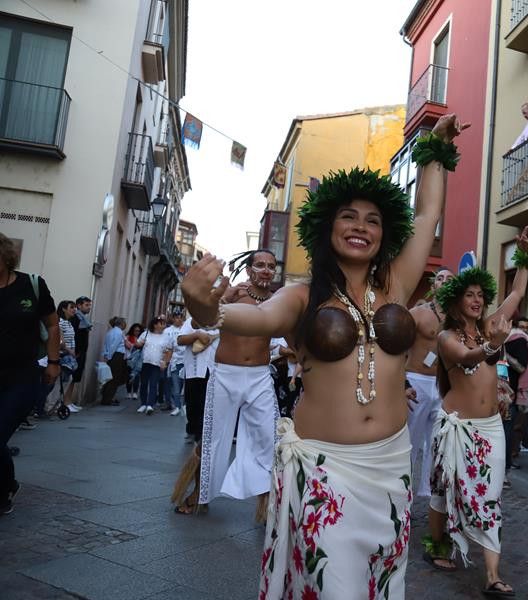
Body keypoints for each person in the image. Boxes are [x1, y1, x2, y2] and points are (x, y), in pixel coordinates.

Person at [180, 113, 467, 600]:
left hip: (390, 464)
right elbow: (249, 319)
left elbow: (427, 216)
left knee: (380, 581)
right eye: (349, 217)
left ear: (384, 234)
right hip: (326, 469)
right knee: (332, 587)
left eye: (373, 220)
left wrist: (435, 152)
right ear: (327, 228)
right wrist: (204, 305)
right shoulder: (301, 297)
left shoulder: (396, 283)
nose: (361, 227)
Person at [425, 229, 528, 598]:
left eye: (481, 295)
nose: (477, 299)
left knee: (490, 494)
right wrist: (492, 345)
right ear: (456, 301)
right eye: (469, 294)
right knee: (444, 489)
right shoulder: (446, 337)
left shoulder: (490, 326)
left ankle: (491, 574)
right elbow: (467, 357)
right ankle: (437, 544)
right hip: (456, 426)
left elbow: (516, 293)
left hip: (490, 428)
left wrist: (523, 258)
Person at [195, 249, 278, 515]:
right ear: (250, 270)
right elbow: (200, 321)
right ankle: (199, 495)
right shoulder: (233, 294)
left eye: (271, 266)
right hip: (226, 374)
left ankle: (266, 507)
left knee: (270, 439)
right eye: (260, 265)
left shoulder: (278, 302)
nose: (266, 270)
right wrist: (224, 298)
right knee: (213, 437)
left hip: (260, 376)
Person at [0, 233, 60, 515]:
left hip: (22, 376)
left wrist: (53, 362)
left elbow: (53, 326)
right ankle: (7, 484)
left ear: (6, 257)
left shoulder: (31, 285)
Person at [406, 266, 453, 497]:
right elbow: (397, 349)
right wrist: (402, 384)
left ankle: (428, 492)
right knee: (410, 442)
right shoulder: (418, 313)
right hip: (416, 381)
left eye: (449, 279)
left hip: (442, 384)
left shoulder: (457, 318)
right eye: (440, 278)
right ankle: (402, 490)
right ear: (433, 285)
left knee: (436, 442)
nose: (444, 281)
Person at [170, 316, 219, 514]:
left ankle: (202, 490)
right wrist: (197, 334)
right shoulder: (193, 319)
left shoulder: (226, 318)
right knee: (200, 429)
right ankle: (199, 490)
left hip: (218, 376)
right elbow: (181, 340)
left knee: (210, 435)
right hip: (195, 375)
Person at [504, 319, 528, 470]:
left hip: (510, 393)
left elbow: (522, 367)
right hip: (501, 392)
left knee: (507, 429)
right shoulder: (501, 340)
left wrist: (503, 354)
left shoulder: (520, 341)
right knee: (505, 430)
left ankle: (505, 465)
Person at [134, 317, 173, 415]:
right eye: (161, 323)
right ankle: (143, 403)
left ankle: (150, 405)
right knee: (143, 383)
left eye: (164, 324)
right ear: (155, 325)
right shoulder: (146, 334)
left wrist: (165, 362)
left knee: (153, 384)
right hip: (145, 362)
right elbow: (137, 344)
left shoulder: (166, 337)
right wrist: (138, 343)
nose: (163, 325)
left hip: (157, 363)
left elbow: (169, 351)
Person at [64, 296, 92, 406]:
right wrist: (75, 351)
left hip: (80, 352)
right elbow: (74, 336)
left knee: (75, 378)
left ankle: (69, 401)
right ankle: (66, 402)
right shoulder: (76, 318)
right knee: (71, 377)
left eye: (89, 305)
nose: (89, 307)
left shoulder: (83, 319)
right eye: (86, 305)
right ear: (79, 305)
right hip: (75, 352)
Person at [56, 301, 80, 413]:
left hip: (69, 355)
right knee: (60, 381)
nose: (74, 310)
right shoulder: (60, 322)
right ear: (64, 309)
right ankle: (54, 405)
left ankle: (60, 403)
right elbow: (61, 342)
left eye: (75, 307)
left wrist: (73, 353)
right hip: (63, 355)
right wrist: (70, 351)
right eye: (71, 307)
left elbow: (72, 340)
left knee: (67, 379)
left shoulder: (68, 323)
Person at [100, 317, 128, 406]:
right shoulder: (119, 333)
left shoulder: (111, 332)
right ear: (122, 324)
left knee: (110, 377)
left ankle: (106, 397)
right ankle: (108, 399)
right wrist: (109, 356)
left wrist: (106, 355)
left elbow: (106, 345)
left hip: (112, 355)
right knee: (114, 378)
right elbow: (114, 345)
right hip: (116, 356)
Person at [163, 311, 187, 416]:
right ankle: (176, 406)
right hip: (175, 361)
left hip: (186, 362)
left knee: (185, 387)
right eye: (176, 317)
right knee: (175, 386)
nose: (178, 319)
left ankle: (185, 405)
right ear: (173, 318)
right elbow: (169, 348)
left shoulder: (187, 329)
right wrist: (165, 361)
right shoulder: (167, 331)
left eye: (180, 317)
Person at [124, 323, 143, 400]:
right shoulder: (128, 337)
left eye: (138, 331)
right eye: (135, 331)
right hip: (130, 358)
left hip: (138, 360)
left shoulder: (141, 339)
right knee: (129, 376)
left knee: (137, 376)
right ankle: (128, 392)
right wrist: (135, 344)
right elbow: (128, 346)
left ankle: (135, 392)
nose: (137, 332)